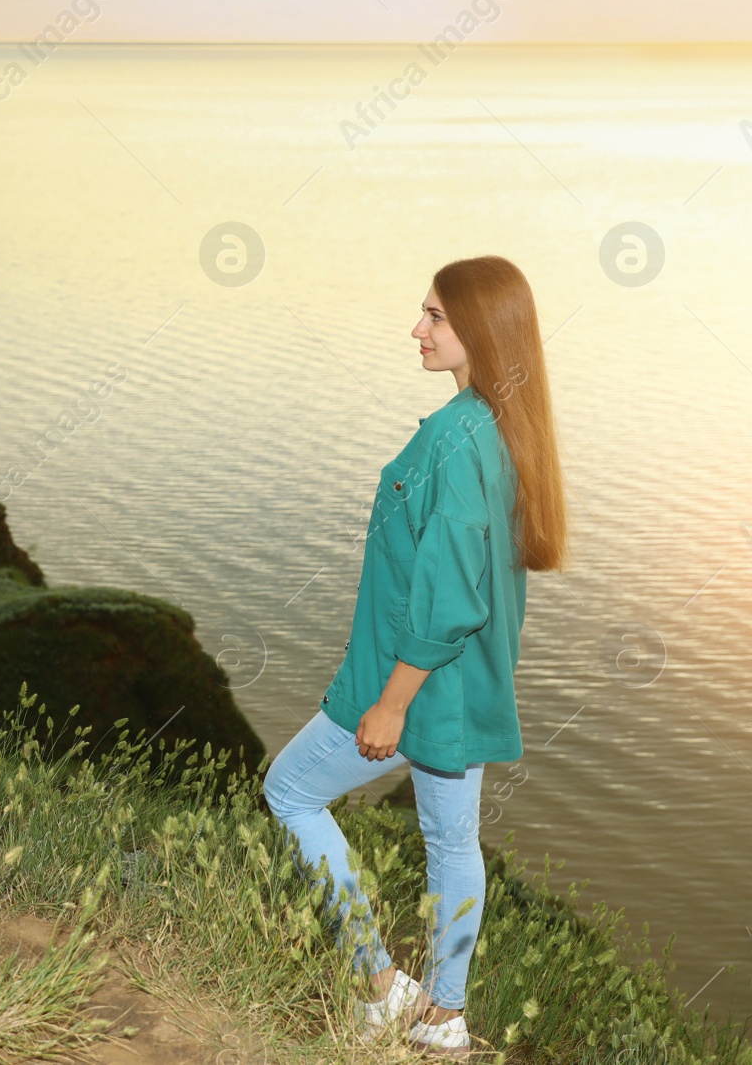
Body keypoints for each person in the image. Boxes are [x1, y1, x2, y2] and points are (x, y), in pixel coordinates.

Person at [263, 256, 568, 1059]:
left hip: (417, 681)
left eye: (434, 316)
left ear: (481, 331)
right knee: (453, 843)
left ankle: (381, 983)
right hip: (463, 688)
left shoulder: (455, 436)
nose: (417, 329)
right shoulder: (504, 426)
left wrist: (392, 700)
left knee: (290, 790)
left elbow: (451, 592)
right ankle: (444, 1017)